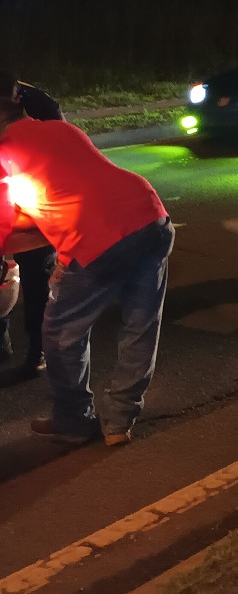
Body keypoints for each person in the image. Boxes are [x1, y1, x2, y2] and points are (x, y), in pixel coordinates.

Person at [0, 78, 174, 446]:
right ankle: (118, 423)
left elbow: (3, 225)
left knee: (61, 334)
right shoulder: (63, 131)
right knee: (141, 325)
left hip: (96, 241)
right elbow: (73, 186)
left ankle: (75, 420)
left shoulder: (4, 152)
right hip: (150, 216)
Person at [0, 77, 64, 382]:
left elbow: (55, 119)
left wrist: (19, 88)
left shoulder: (33, 117)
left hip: (32, 224)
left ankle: (38, 353)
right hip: (14, 221)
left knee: (37, 291)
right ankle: (4, 340)